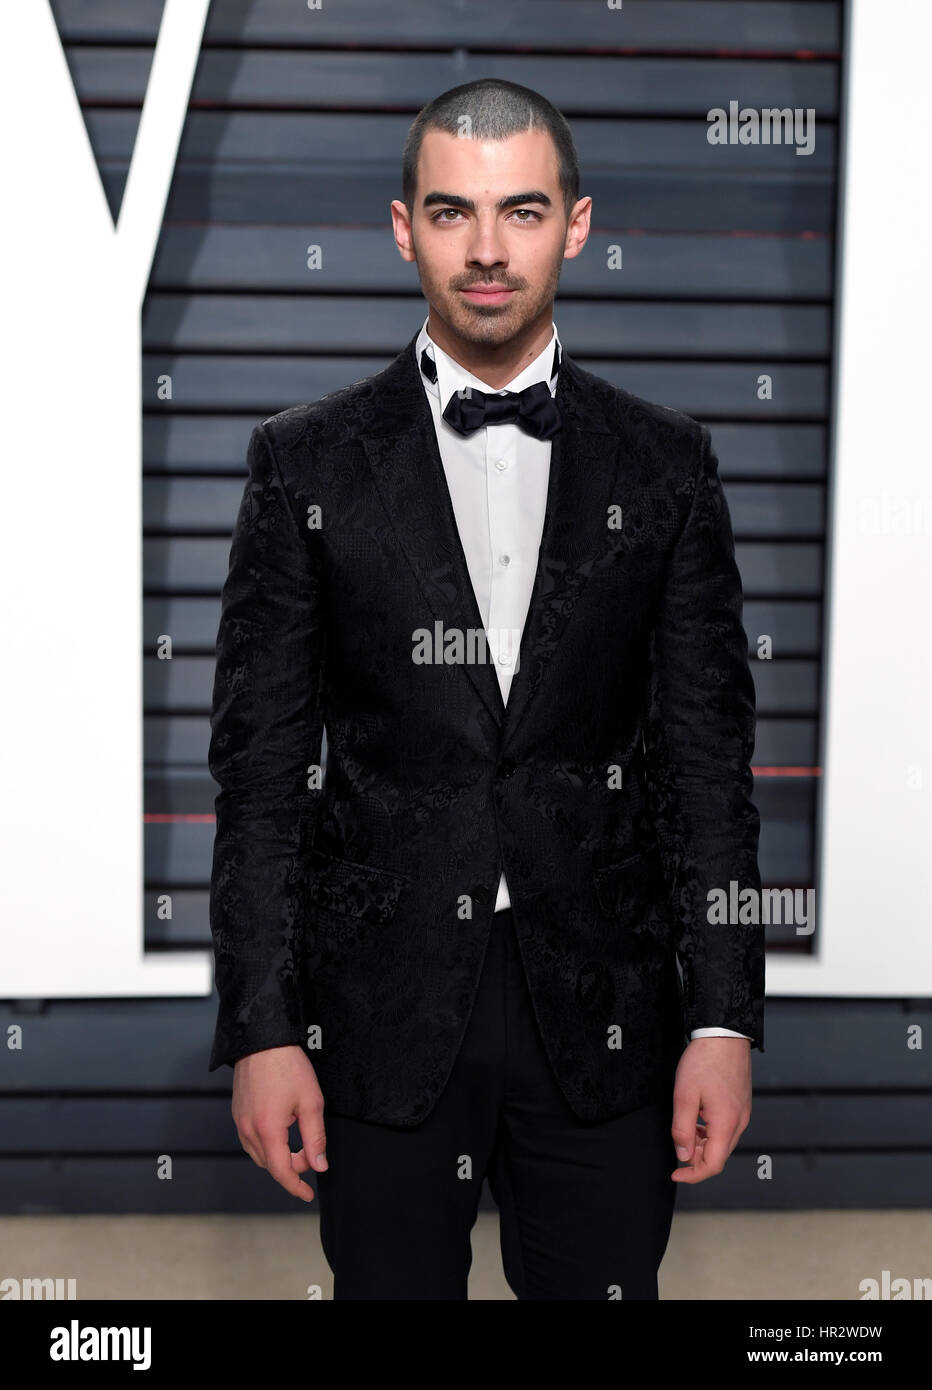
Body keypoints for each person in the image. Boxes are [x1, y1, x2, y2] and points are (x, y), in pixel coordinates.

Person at [207, 78, 765, 1300]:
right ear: (404, 227)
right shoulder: (301, 462)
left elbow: (705, 767)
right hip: (377, 1011)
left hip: (605, 1009)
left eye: (520, 211)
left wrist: (722, 1019)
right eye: (452, 214)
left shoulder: (665, 465)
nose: (487, 250)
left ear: (573, 223)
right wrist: (258, 1025)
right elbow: (257, 777)